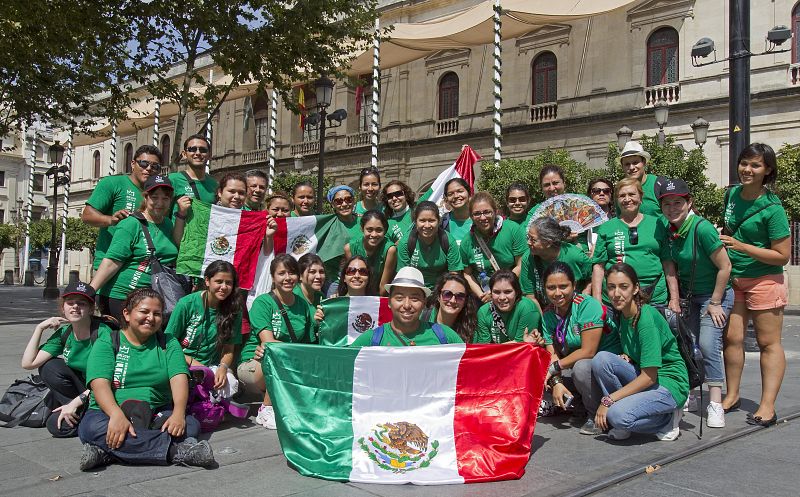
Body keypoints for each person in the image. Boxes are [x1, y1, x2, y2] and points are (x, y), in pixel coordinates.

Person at [78, 288, 215, 471]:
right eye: (144, 311)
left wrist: (178, 413)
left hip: (155, 412)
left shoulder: (168, 342)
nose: (151, 318)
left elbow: (179, 377)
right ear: (127, 314)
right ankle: (176, 452)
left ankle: (106, 452)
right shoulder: (108, 341)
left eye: (157, 314)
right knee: (91, 428)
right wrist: (116, 415)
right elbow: (99, 383)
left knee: (189, 425)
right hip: (107, 412)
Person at [720, 143, 790, 426]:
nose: (747, 170)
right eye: (744, 163)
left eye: (755, 165)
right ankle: (732, 395)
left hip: (764, 279)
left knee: (767, 343)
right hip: (735, 278)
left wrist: (742, 246)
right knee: (732, 338)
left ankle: (767, 406)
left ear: (767, 170)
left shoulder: (772, 209)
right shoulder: (731, 195)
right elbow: (728, 230)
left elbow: (782, 255)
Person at [659, 178, 733, 428]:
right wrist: (674, 298)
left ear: (689, 202)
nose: (672, 208)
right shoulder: (668, 230)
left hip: (715, 294)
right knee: (686, 345)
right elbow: (669, 266)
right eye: (666, 203)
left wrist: (715, 302)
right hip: (689, 297)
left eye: (677, 202)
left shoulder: (701, 228)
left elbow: (725, 266)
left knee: (707, 344)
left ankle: (715, 403)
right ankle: (689, 391)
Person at [592, 263, 689, 442]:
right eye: (611, 287)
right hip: (650, 377)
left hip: (669, 382)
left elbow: (649, 376)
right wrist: (628, 355)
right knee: (601, 360)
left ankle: (667, 419)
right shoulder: (624, 314)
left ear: (636, 288)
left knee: (617, 416)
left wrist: (608, 400)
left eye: (624, 287)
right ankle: (630, 412)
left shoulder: (646, 318)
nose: (616, 293)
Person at [20, 282, 112, 438]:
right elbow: (28, 363)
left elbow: (109, 379)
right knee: (49, 366)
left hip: (104, 389)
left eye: (81, 303)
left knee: (56, 426)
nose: (75, 307)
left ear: (91, 309)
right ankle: (80, 413)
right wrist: (39, 329)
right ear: (63, 308)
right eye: (70, 303)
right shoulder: (64, 332)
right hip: (82, 389)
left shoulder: (103, 333)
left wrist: (76, 402)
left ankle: (89, 415)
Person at [539, 263, 620, 435]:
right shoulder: (547, 315)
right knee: (542, 379)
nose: (557, 293)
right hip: (580, 367)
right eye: (551, 287)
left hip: (610, 367)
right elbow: (551, 353)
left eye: (563, 286)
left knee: (581, 368)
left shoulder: (586, 305)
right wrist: (557, 382)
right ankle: (582, 404)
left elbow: (588, 351)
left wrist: (554, 369)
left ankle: (596, 416)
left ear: (574, 286)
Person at [238, 254, 315, 429]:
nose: (288, 278)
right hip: (254, 366)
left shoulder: (303, 305)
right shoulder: (263, 302)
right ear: (273, 277)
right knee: (275, 353)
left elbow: (308, 345)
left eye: (292, 273)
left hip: (289, 362)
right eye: (282, 273)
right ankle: (266, 409)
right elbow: (269, 343)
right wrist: (293, 351)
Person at [90, 175, 180, 322]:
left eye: (165, 198)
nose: (159, 203)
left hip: (154, 297)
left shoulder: (168, 224)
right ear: (145, 198)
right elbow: (112, 261)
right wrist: (90, 291)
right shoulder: (131, 223)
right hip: (123, 297)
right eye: (155, 197)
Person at [591, 177, 676, 314]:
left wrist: (675, 299)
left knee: (650, 334)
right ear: (617, 200)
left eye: (632, 194)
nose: (627, 199)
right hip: (615, 299)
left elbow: (667, 262)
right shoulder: (607, 228)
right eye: (622, 195)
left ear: (641, 197)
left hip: (654, 296)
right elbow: (599, 266)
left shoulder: (658, 224)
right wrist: (596, 298)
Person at [165, 261, 242, 399]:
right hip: (181, 361)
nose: (224, 287)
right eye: (218, 281)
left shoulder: (234, 309)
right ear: (207, 281)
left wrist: (223, 368)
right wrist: (192, 362)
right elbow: (168, 343)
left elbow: (229, 349)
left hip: (210, 366)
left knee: (230, 384)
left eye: (228, 283)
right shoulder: (186, 303)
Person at [81, 144, 160, 274]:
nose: (149, 169)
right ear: (133, 164)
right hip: (109, 266)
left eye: (155, 166)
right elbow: (87, 215)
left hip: (143, 269)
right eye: (144, 163)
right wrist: (111, 220)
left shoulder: (160, 195)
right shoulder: (112, 183)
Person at [351, 267, 463, 346]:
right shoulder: (372, 340)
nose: (407, 305)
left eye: (414, 299)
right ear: (389, 302)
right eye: (399, 298)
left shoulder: (445, 336)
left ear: (424, 303)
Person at [460, 192, 526, 302]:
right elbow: (467, 274)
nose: (482, 217)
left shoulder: (513, 229)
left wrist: (498, 290)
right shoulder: (467, 241)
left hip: (512, 294)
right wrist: (482, 295)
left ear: (495, 212)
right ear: (471, 216)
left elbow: (521, 264)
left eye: (487, 212)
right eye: (477, 214)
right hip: (484, 298)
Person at [521, 217, 592, 307]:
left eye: (533, 240)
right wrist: (544, 319)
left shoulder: (575, 256)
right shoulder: (528, 259)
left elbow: (591, 276)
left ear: (548, 242)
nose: (528, 242)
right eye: (528, 237)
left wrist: (586, 293)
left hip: (575, 307)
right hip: (546, 308)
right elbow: (530, 296)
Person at [396, 201, 464, 291]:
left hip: (441, 290)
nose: (427, 225)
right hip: (414, 289)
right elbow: (403, 276)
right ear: (415, 222)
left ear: (439, 221)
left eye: (431, 221)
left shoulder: (448, 241)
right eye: (422, 221)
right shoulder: (406, 242)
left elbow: (454, 275)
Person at [474, 270, 542, 344]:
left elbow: (522, 345)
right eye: (496, 292)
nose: (502, 297)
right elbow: (484, 347)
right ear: (490, 293)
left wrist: (494, 349)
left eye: (508, 292)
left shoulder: (527, 308)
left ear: (517, 292)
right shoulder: (483, 311)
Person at [344, 210, 396, 296]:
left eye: (379, 230)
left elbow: (383, 287)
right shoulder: (350, 248)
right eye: (369, 230)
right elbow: (351, 278)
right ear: (362, 228)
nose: (374, 234)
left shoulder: (390, 250)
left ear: (385, 230)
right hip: (357, 292)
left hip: (379, 296)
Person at [323, 185, 362, 297]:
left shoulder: (364, 222)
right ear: (332, 204)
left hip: (361, 275)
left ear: (354, 201)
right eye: (339, 201)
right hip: (336, 280)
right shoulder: (327, 225)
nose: (344, 204)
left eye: (348, 199)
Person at [168, 134, 218, 209]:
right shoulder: (172, 180)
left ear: (209, 155)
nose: (198, 153)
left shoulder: (215, 185)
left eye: (203, 150)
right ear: (184, 154)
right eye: (192, 149)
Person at [425, 273, 478, 343]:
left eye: (460, 296)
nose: (453, 300)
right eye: (447, 294)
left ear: (465, 301)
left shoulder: (471, 330)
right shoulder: (422, 318)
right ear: (438, 296)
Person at [618, 141, 662, 217]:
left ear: (644, 162)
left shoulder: (658, 184)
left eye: (635, 162)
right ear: (622, 167)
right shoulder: (621, 189)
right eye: (627, 164)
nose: (631, 167)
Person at [586, 178, 615, 256]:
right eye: (596, 191)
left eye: (606, 191)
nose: (601, 193)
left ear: (611, 194)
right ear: (590, 194)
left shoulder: (618, 218)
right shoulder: (582, 219)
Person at [441, 178, 473, 244]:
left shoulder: (481, 219)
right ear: (446, 198)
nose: (455, 196)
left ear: (469, 193)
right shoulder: (442, 223)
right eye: (450, 194)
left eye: (460, 191)